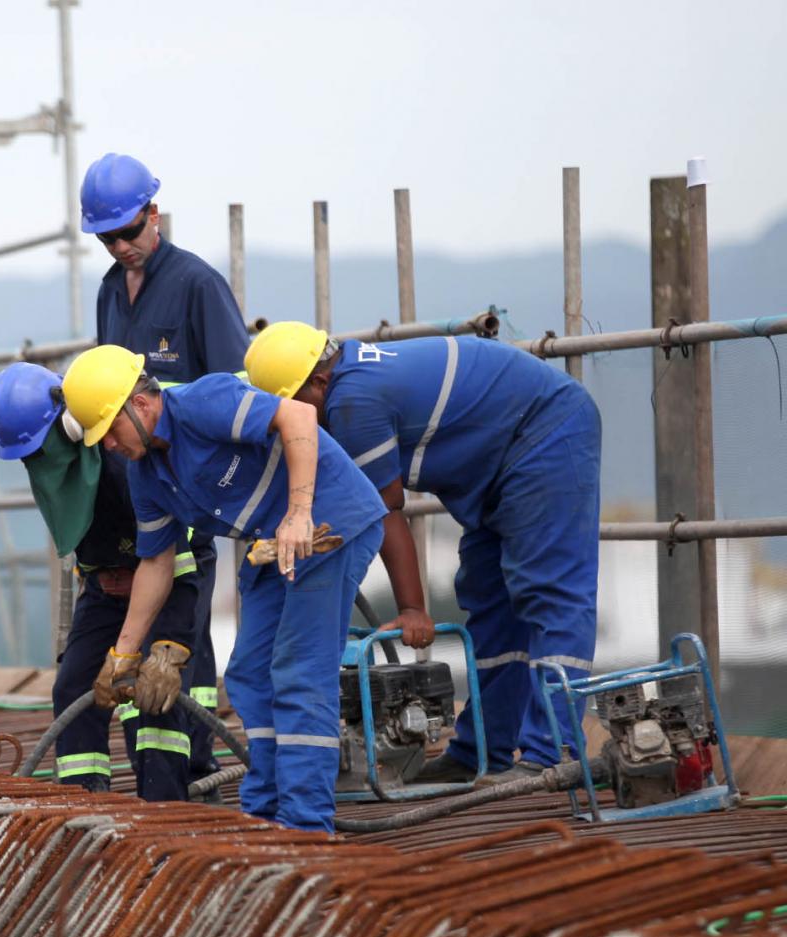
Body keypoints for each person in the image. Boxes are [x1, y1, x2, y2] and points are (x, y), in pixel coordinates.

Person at [245, 323, 601, 783]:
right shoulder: (344, 380)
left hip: (546, 431)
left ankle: (554, 755)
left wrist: (413, 608)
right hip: (502, 451)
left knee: (552, 594)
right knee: (491, 599)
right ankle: (481, 751)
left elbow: (384, 509)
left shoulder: (353, 401)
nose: (293, 421)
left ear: (317, 383)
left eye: (292, 407)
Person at [61, 345, 385, 833]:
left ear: (141, 404)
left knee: (298, 671)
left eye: (110, 430)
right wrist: (123, 654)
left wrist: (300, 513)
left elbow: (297, 416)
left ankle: (305, 824)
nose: (107, 445)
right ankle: (265, 810)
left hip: (328, 524)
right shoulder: (148, 475)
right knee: (251, 673)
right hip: (274, 544)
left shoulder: (203, 402)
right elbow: (156, 561)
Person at [83, 151, 251, 788]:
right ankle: (175, 755)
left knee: (188, 614)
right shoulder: (108, 290)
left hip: (192, 475)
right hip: (136, 482)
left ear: (155, 214)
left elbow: (237, 389)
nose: (122, 247)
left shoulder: (196, 284)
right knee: (170, 618)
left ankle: (195, 757)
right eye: (107, 237)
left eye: (130, 231)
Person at [0, 361, 215, 800]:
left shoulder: (122, 463)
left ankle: (165, 811)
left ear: (71, 426)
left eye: (39, 448)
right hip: (105, 588)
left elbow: (175, 565)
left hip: (170, 582)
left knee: (156, 700)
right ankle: (83, 802)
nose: (36, 462)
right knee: (74, 687)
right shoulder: (61, 475)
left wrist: (166, 649)